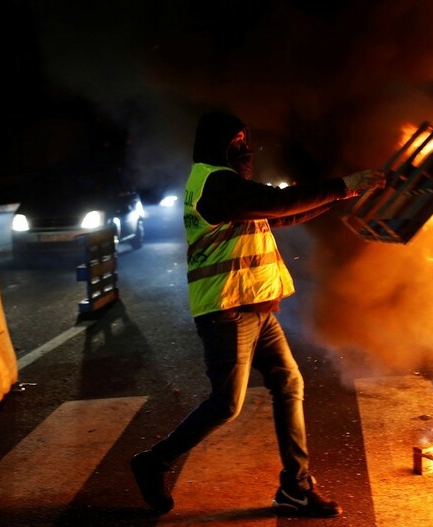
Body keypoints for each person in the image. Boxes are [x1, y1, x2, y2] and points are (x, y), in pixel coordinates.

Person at [130, 110, 385, 518]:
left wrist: (343, 195)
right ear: (219, 143)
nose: (245, 147)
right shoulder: (214, 183)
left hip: (258, 308)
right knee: (226, 405)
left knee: (289, 385)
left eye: (246, 139)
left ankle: (296, 488)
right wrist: (342, 185)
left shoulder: (231, 186)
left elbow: (282, 213)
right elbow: (277, 202)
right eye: (237, 140)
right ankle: (154, 462)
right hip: (227, 312)